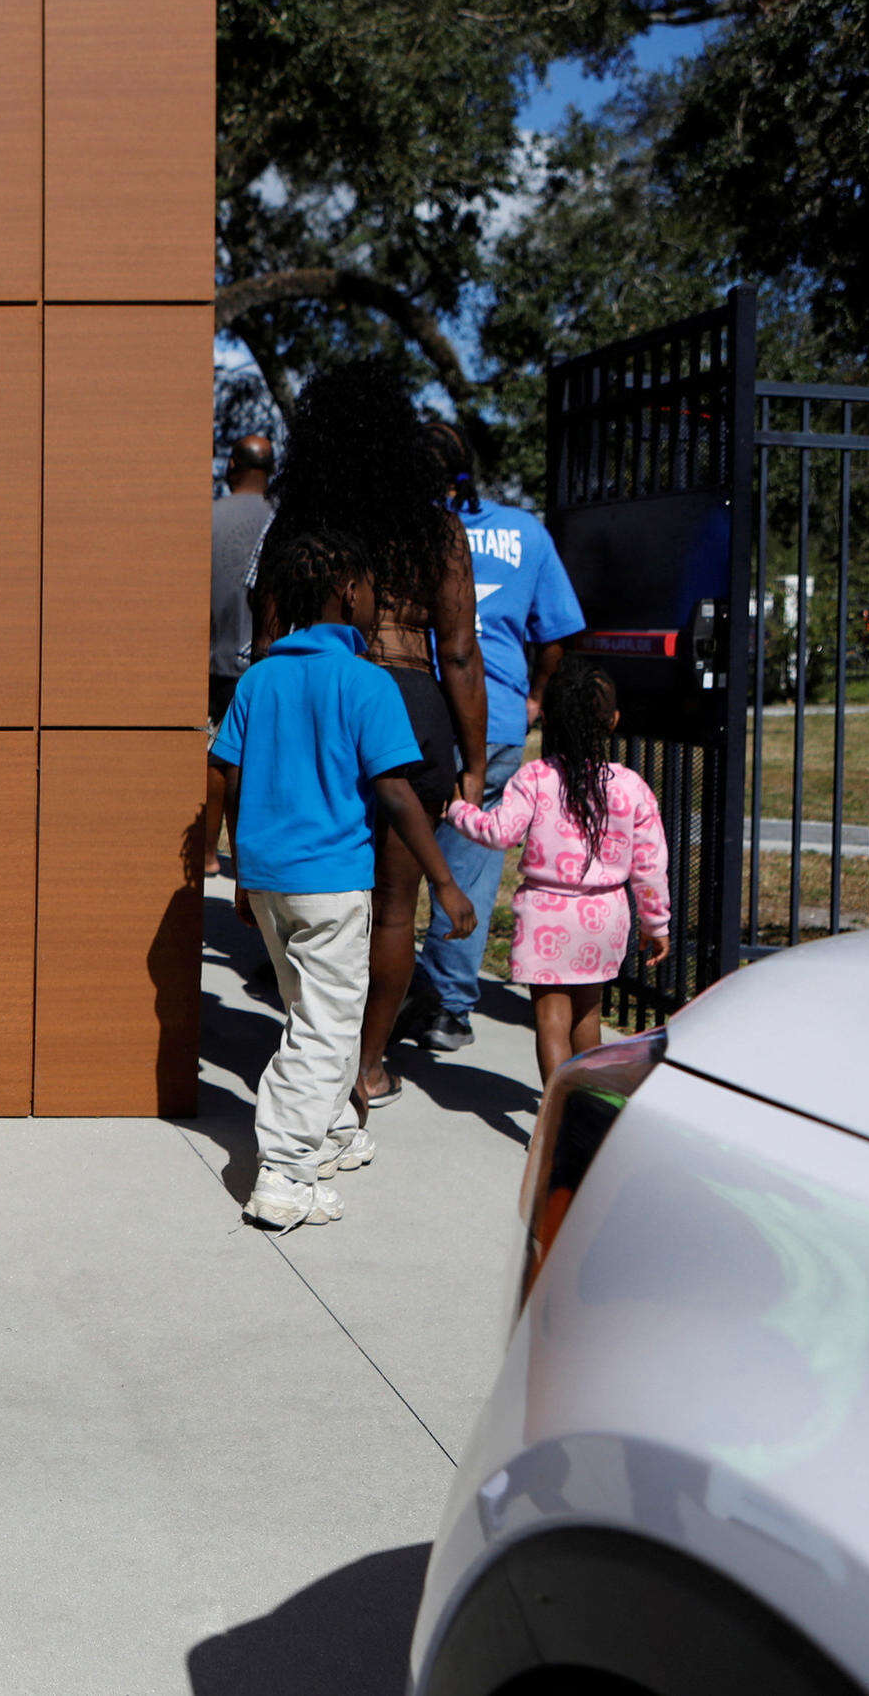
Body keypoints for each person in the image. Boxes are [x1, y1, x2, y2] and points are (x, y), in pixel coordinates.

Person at [209, 525, 475, 1231]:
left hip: (268, 878)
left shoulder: (260, 678)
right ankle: (286, 1172)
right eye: (371, 591)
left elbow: (230, 778)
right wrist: (445, 882)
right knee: (327, 1028)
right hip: (330, 881)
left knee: (311, 1013)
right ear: (349, 593)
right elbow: (396, 793)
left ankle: (330, 1134)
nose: (376, 603)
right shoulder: (368, 682)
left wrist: (239, 875)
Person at [257, 366, 486, 1113]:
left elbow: (264, 644)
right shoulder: (436, 528)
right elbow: (457, 650)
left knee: (315, 887)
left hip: (319, 704)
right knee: (393, 908)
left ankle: (314, 1044)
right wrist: (476, 760)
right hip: (413, 706)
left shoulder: (299, 523)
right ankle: (367, 1064)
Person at [399, 435, 586, 1051]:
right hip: (497, 719)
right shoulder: (525, 533)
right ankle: (448, 1008)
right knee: (471, 867)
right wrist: (533, 696)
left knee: (391, 859)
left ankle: (385, 990)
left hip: (408, 712)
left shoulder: (402, 528)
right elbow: (557, 632)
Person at [444, 659, 670, 1086]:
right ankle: (589, 1104)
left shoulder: (535, 777)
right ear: (614, 721)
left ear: (547, 717)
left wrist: (458, 810)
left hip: (546, 913)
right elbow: (650, 864)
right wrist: (656, 922)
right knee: (588, 1014)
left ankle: (556, 1111)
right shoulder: (631, 786)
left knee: (550, 1019)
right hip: (606, 915)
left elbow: (499, 831)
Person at [209, 435, 276, 723]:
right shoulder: (283, 519)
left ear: (232, 464)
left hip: (215, 670)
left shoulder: (208, 517)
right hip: (271, 670)